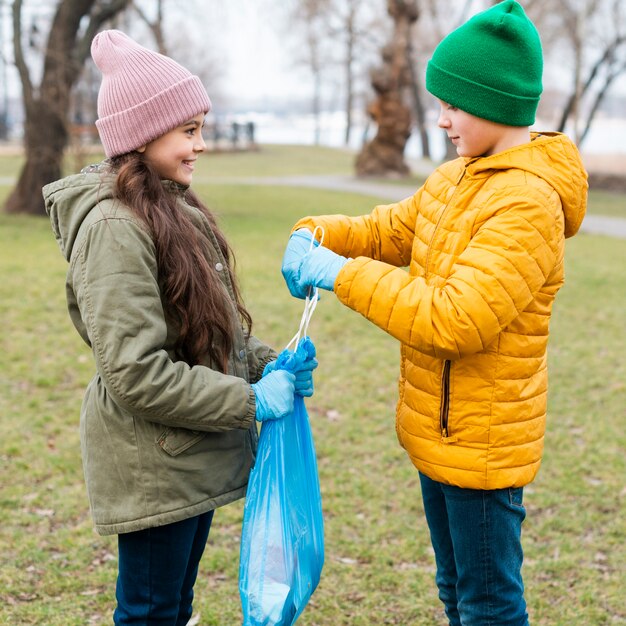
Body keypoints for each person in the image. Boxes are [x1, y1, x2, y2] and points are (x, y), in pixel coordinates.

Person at [281, 2, 588, 624]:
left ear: (495, 104)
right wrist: (318, 234)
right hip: (439, 431)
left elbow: (456, 319)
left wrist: (337, 275)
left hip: (481, 444)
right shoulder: (457, 179)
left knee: (488, 606)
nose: (441, 119)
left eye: (452, 104)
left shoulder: (527, 203)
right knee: (455, 591)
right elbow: (389, 229)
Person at [43, 30, 316, 625]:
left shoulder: (169, 207)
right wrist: (248, 398)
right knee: (149, 612)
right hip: (152, 463)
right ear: (143, 135)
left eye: (200, 128)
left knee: (174, 608)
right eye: (188, 130)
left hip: (186, 454)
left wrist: (267, 364)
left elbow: (198, 330)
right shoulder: (116, 228)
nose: (200, 145)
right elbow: (135, 372)